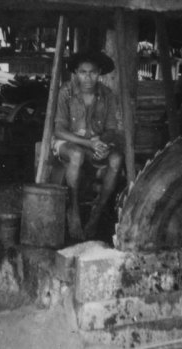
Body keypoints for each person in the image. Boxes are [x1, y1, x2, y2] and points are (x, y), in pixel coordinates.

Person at [53, 51, 124, 240]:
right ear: (76, 72)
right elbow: (58, 130)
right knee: (77, 155)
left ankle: (96, 213)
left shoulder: (107, 94)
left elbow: (111, 129)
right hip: (69, 142)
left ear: (99, 72)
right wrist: (88, 143)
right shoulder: (66, 91)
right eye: (83, 72)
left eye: (92, 72)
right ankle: (74, 210)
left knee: (117, 159)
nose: (88, 77)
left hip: (95, 143)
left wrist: (104, 144)